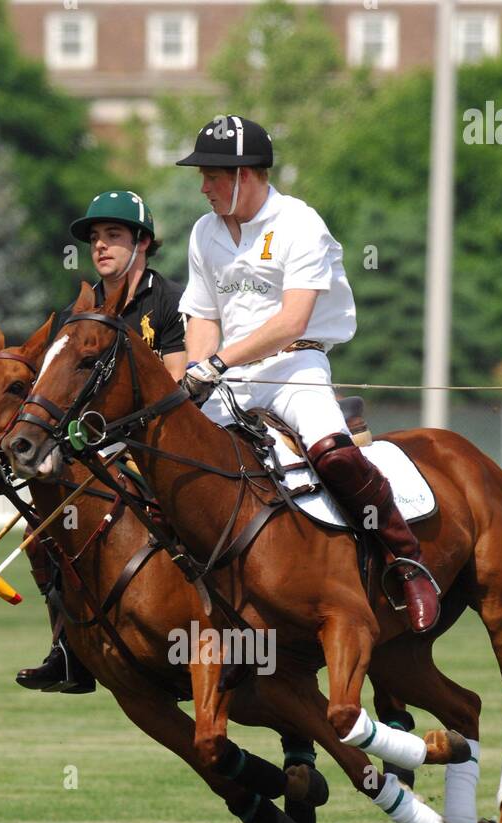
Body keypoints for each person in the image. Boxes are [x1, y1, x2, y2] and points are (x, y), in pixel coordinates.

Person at [175, 115, 439, 634]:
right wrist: (196, 370)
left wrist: (219, 363)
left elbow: (292, 320)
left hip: (296, 362)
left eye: (211, 176)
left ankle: (405, 562)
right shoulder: (205, 231)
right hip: (227, 376)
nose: (203, 187)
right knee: (176, 453)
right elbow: (202, 314)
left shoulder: (299, 223)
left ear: (245, 175)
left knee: (332, 452)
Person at [16, 190, 187, 694]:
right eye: (95, 238)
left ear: (143, 242)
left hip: (154, 440)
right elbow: (54, 383)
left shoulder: (170, 300)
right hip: (94, 449)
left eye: (113, 235)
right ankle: (69, 649)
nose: (100, 247)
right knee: (41, 537)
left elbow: (177, 377)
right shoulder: (81, 309)